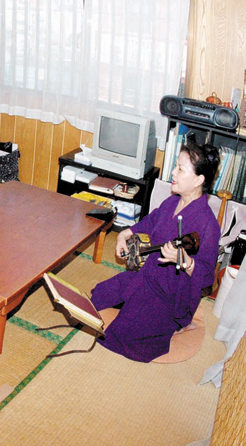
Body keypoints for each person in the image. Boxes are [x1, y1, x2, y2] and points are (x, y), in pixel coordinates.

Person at [91, 141, 221, 362]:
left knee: (123, 337)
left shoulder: (208, 224)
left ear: (199, 180)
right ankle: (134, 304)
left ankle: (174, 322)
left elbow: (208, 275)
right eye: (175, 166)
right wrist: (125, 233)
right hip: (146, 276)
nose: (173, 173)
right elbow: (151, 221)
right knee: (98, 295)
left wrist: (186, 262)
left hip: (170, 295)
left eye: (180, 169)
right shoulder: (172, 202)